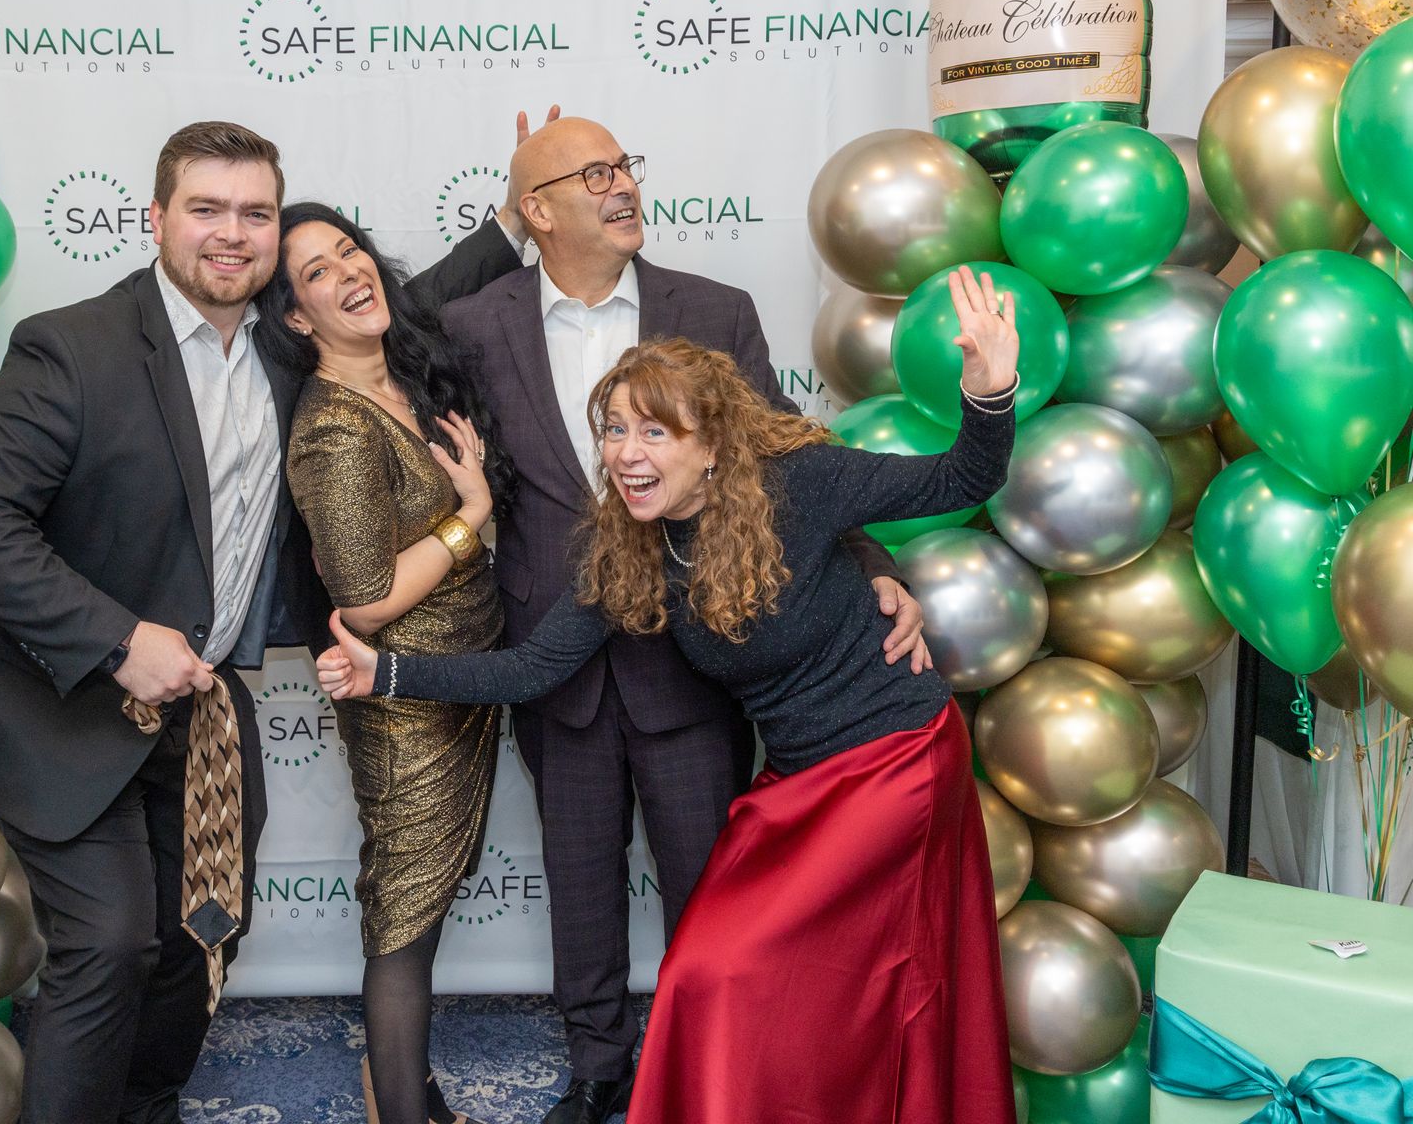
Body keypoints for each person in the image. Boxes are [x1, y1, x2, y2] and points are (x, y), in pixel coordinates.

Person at [0, 116, 541, 1124]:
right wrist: (120, 639)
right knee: (112, 941)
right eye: (206, 208)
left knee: (202, 928)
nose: (233, 233)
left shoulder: (286, 344)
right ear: (156, 218)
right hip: (61, 704)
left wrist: (511, 223)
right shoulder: (73, 348)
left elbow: (394, 302)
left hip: (202, 711)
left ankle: (145, 1102)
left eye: (255, 212)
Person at [316, 267, 1022, 1124]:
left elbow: (958, 480)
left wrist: (990, 393)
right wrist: (380, 672)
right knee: (714, 969)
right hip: (797, 782)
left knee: (755, 970)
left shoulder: (801, 482)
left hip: (892, 763)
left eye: (654, 432)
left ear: (711, 443)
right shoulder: (628, 545)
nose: (625, 453)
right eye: (614, 431)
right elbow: (533, 669)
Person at [435, 117, 928, 1123]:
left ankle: (713, 1061)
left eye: (626, 168)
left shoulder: (711, 309)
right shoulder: (476, 322)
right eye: (595, 174)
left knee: (712, 883)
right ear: (538, 210)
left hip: (695, 653)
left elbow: (789, 460)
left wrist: (876, 567)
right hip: (556, 651)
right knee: (579, 880)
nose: (624, 187)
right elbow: (386, 318)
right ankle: (598, 1066)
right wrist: (499, 227)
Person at [255, 204, 517, 1124]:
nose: (347, 273)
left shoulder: (406, 372)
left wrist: (513, 216)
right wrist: (468, 516)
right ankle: (400, 1106)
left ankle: (406, 1088)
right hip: (401, 692)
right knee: (404, 917)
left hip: (469, 677)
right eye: (316, 274)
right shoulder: (331, 428)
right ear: (295, 316)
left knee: (431, 894)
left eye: (350, 252)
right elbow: (364, 597)